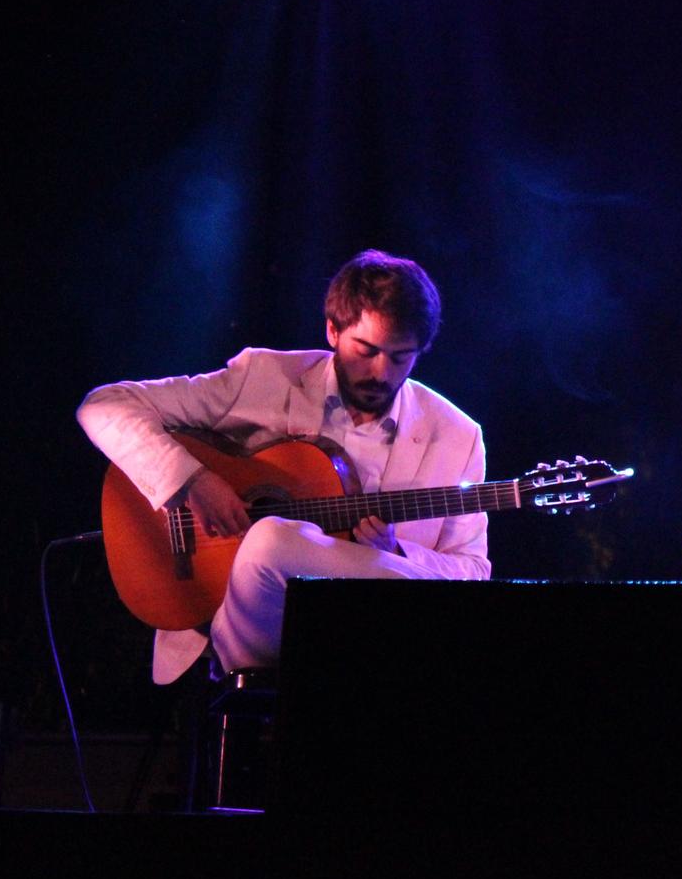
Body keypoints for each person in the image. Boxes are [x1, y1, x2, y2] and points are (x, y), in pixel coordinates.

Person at [79, 250, 490, 683]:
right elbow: (103, 407)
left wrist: (397, 554)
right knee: (270, 539)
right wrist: (191, 481)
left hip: (373, 637)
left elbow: (474, 571)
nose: (381, 372)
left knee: (276, 540)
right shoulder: (264, 378)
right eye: (365, 350)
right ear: (332, 330)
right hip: (245, 627)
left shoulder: (457, 435)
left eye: (401, 357)